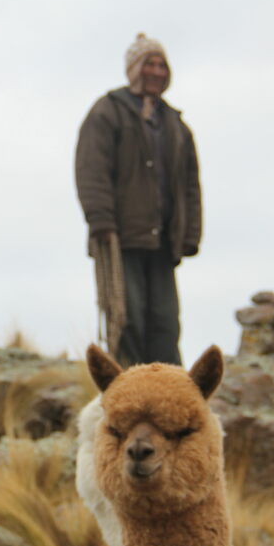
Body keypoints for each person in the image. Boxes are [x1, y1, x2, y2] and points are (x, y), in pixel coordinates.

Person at [75, 33, 202, 366]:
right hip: (121, 237)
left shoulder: (175, 125)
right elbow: (91, 168)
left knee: (165, 322)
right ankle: (128, 393)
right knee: (125, 317)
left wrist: (189, 234)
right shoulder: (109, 112)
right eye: (150, 64)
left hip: (163, 241)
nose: (157, 71)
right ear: (134, 68)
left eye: (162, 65)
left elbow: (190, 183)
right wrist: (100, 219)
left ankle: (169, 393)